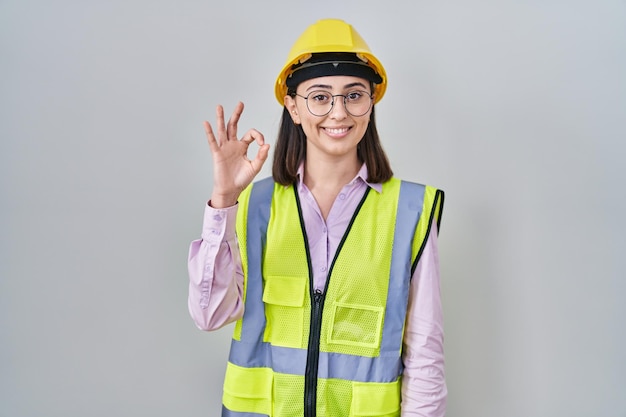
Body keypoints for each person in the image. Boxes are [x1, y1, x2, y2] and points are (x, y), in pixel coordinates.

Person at [188, 18, 447, 417]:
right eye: (320, 97)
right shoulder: (254, 205)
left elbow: (425, 354)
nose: (338, 112)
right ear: (292, 106)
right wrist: (223, 199)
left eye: (354, 95)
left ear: (371, 101)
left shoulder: (409, 210)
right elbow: (209, 314)